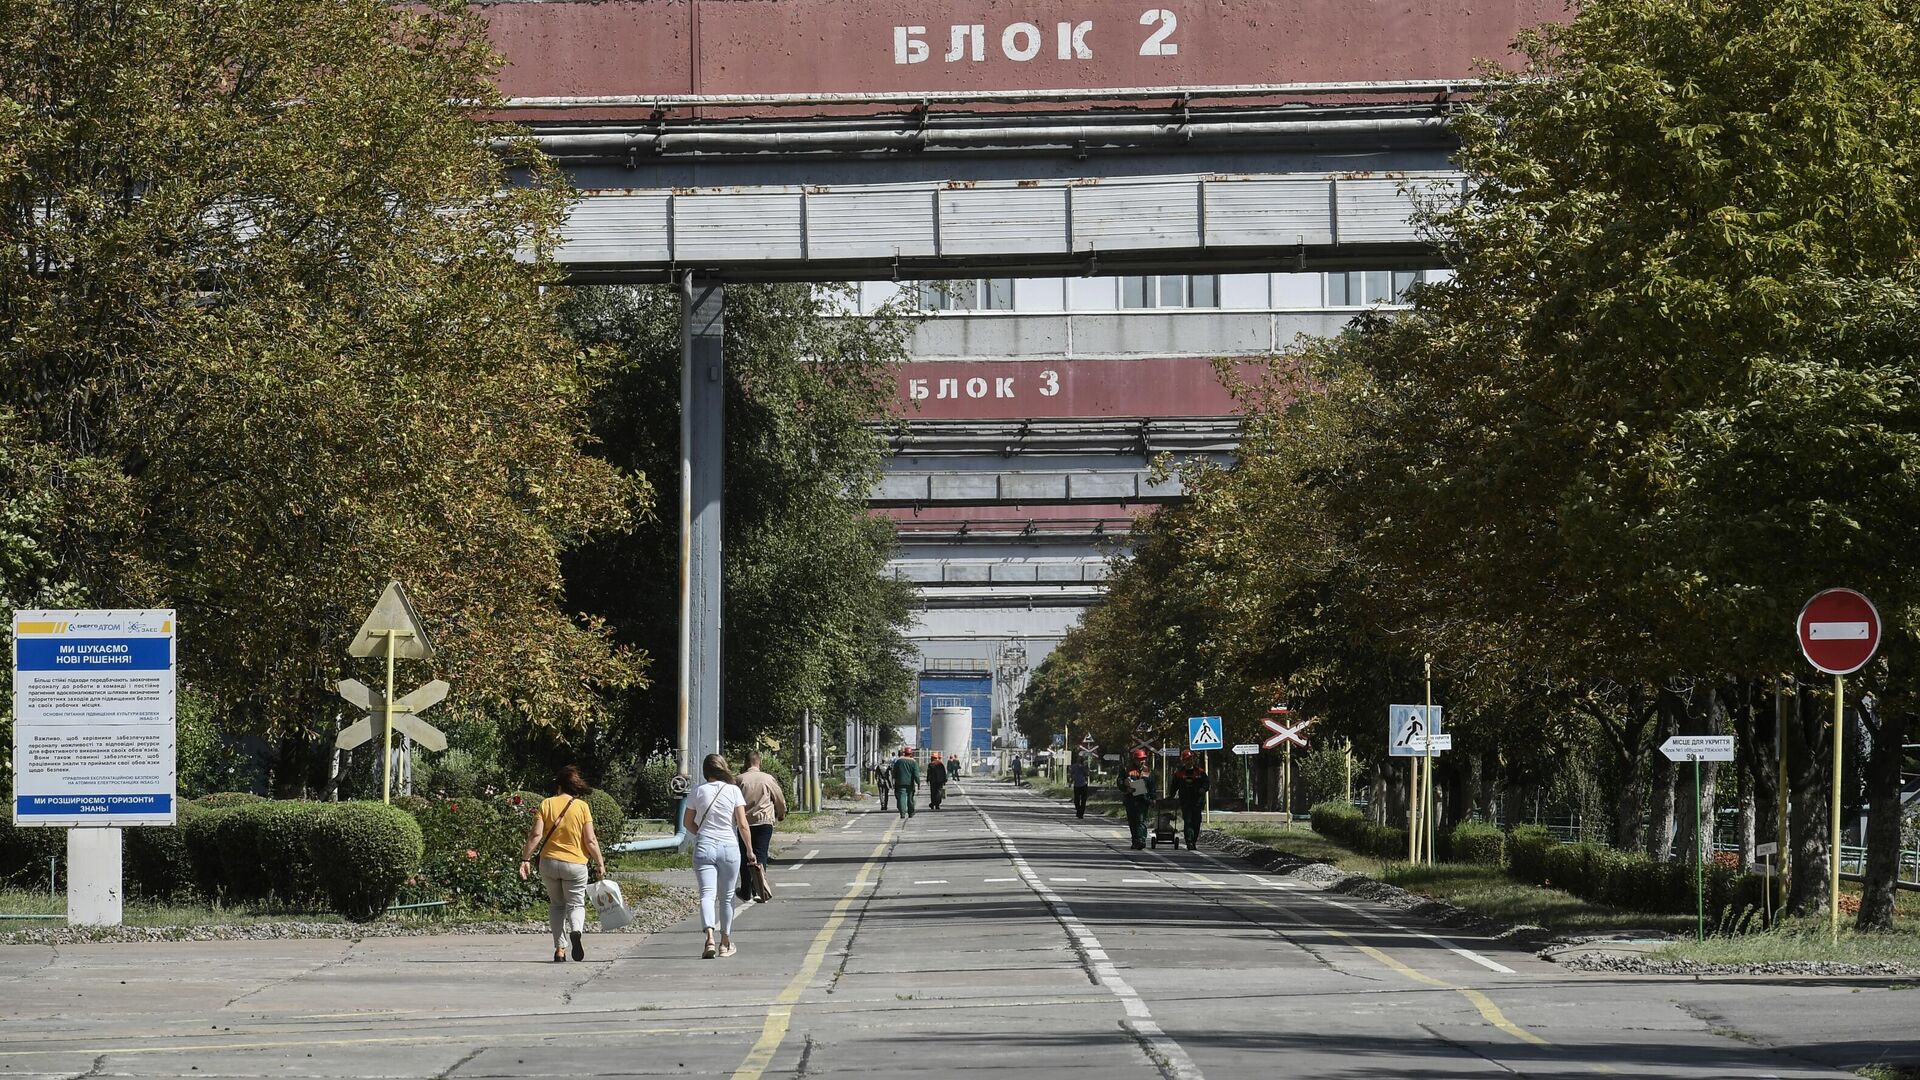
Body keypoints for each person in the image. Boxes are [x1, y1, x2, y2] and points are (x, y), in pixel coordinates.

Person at [518, 764, 608, 963]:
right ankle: (576, 930)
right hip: (575, 864)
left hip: (549, 863)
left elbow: (536, 835)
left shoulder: (546, 804)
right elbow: (591, 840)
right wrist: (600, 862)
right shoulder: (582, 807)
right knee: (576, 904)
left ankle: (560, 949)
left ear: (558, 786)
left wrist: (525, 858)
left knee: (557, 906)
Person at [683, 753, 756, 959]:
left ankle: (709, 939)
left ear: (706, 771)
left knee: (707, 894)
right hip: (729, 847)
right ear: (723, 768)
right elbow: (742, 824)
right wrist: (750, 850)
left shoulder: (697, 791)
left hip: (704, 846)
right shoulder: (733, 790)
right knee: (727, 896)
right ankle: (725, 943)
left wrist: (703, 834)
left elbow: (687, 823)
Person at [734, 751, 787, 902]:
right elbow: (779, 799)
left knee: (745, 854)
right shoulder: (767, 779)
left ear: (745, 763)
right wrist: (781, 813)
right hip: (764, 822)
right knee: (761, 853)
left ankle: (745, 890)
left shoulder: (739, 780)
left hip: (744, 822)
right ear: (759, 762)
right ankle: (759, 889)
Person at [1171, 750, 1211, 850]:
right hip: (1186, 802)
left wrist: (1203, 788)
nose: (1189, 761)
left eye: (1190, 759)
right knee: (1188, 821)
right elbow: (1174, 787)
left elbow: (1207, 783)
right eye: (1187, 759)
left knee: (1196, 822)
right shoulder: (1179, 773)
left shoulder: (1200, 772)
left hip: (1198, 802)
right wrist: (1170, 797)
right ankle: (1189, 842)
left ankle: (1194, 841)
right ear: (1183, 761)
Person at [1118, 749, 1154, 850]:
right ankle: (1135, 841)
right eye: (1140, 759)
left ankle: (1141, 840)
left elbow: (1151, 785)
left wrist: (1153, 798)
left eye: (1143, 759)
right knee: (1133, 822)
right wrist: (1126, 787)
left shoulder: (1147, 771)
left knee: (1141, 821)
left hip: (1143, 800)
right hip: (1130, 800)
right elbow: (1120, 782)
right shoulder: (1126, 769)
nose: (1142, 761)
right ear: (1134, 760)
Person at [891, 747, 920, 819]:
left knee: (902, 797)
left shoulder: (899, 761)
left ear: (904, 753)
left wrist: (894, 780)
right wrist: (918, 783)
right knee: (910, 798)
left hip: (900, 782)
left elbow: (894, 772)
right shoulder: (913, 762)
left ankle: (902, 813)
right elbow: (916, 774)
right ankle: (910, 812)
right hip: (910, 783)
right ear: (911, 754)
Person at [1070, 753, 1092, 818]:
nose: (1079, 760)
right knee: (1076, 800)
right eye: (1078, 759)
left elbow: (1087, 774)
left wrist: (1083, 768)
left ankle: (1081, 813)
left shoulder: (1085, 766)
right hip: (1076, 785)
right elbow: (1072, 775)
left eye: (1080, 759)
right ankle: (1078, 810)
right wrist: (1070, 782)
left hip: (1083, 784)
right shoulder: (1074, 766)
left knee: (1083, 800)